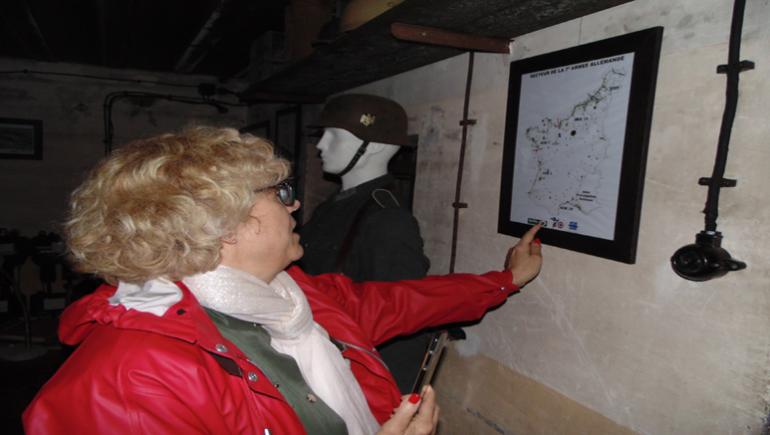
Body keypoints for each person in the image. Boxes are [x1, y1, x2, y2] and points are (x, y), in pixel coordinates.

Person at [23, 126, 542, 434]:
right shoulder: (128, 379)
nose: (293, 206)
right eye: (278, 194)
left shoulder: (289, 298)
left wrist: (504, 280)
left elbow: (399, 302)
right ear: (225, 225)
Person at [299, 94, 432, 392]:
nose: (321, 145)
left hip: (350, 376)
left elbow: (400, 316)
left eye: (335, 136)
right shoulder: (334, 206)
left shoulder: (386, 219)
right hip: (320, 358)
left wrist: (385, 398)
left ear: (374, 147)